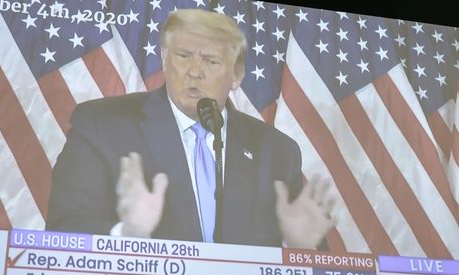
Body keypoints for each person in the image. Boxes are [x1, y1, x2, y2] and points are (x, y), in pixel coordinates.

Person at [47, 8, 337, 248]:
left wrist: (299, 247)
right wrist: (129, 234)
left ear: (236, 76)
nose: (194, 71)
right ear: (164, 59)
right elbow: (62, 235)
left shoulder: (276, 152)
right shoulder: (102, 125)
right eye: (183, 56)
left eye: (211, 61)